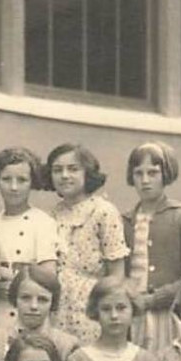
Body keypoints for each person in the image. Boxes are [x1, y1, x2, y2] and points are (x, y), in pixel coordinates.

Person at [120, 140, 181, 354]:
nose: (145, 180)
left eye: (153, 173)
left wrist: (152, 300)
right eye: (139, 173)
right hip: (129, 314)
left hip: (166, 316)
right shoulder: (124, 221)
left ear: (165, 175)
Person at [47, 142, 128, 345]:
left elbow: (116, 275)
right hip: (57, 308)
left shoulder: (103, 212)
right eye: (58, 170)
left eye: (73, 169)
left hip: (92, 307)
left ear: (87, 173)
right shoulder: (51, 215)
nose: (65, 175)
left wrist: (105, 312)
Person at [0, 146, 59, 330]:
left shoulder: (43, 222)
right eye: (7, 179)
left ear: (32, 182)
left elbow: (48, 276)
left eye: (22, 180)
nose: (14, 187)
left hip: (31, 316)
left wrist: (5, 277)